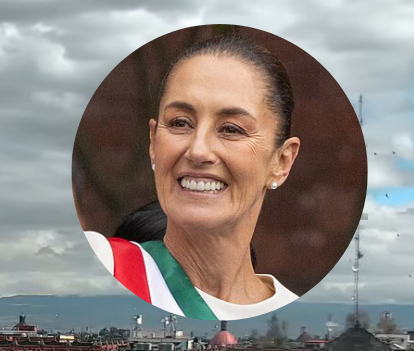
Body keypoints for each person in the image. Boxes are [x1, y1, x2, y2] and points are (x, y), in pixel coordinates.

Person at [84, 32, 301, 321]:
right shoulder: (97, 263)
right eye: (180, 123)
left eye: (231, 129)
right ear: (153, 143)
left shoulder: (293, 318)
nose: (198, 151)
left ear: (281, 162)